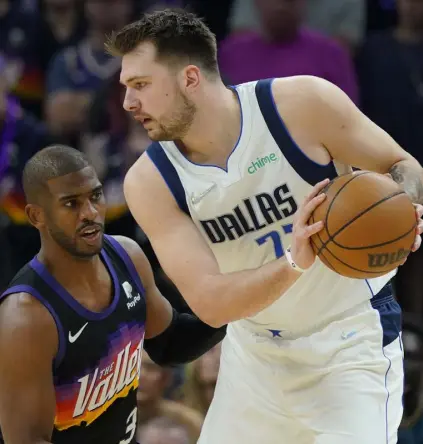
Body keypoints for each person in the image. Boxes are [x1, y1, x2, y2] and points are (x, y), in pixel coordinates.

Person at [107, 9, 423, 444]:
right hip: (254, 357)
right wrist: (293, 261)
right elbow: (211, 304)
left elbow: (403, 166)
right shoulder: (150, 181)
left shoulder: (303, 105)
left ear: (190, 79)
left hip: (351, 344)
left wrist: (405, 204)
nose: (128, 103)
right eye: (126, 87)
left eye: (140, 85)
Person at [0, 145, 226, 444]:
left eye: (95, 196)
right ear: (36, 216)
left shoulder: (127, 256)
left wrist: (234, 306)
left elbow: (170, 345)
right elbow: (26, 440)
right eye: (71, 204)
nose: (90, 213)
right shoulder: (26, 316)